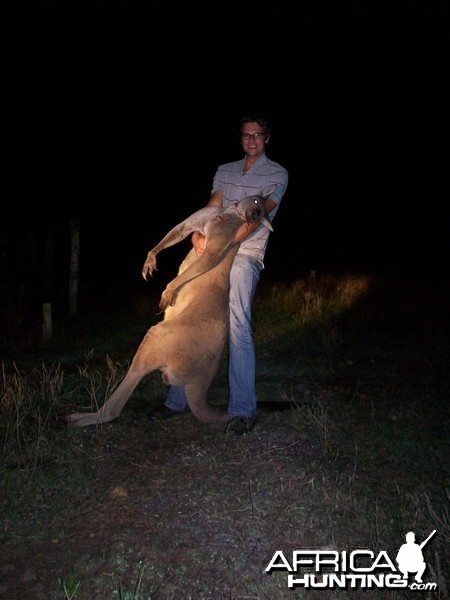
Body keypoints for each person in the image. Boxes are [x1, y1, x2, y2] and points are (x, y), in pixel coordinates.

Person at [148, 115, 289, 434]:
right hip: (210, 248)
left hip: (245, 254)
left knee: (238, 322)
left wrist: (227, 244)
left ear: (267, 138)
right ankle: (177, 401)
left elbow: (259, 214)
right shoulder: (224, 170)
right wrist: (199, 235)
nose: (251, 139)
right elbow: (212, 208)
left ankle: (243, 409)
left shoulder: (277, 173)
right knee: (189, 318)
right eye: (246, 135)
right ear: (240, 139)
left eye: (258, 135)